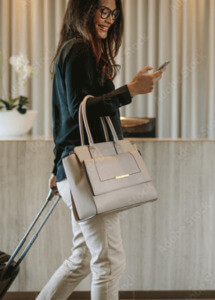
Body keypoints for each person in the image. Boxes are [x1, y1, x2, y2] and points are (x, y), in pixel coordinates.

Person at [36, 0, 167, 299]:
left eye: (114, 13)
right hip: (88, 175)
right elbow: (82, 110)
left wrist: (56, 169)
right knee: (109, 262)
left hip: (77, 172)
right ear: (84, 9)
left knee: (82, 259)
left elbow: (65, 120)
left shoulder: (75, 48)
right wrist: (131, 89)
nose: (109, 19)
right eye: (102, 10)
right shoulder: (80, 49)